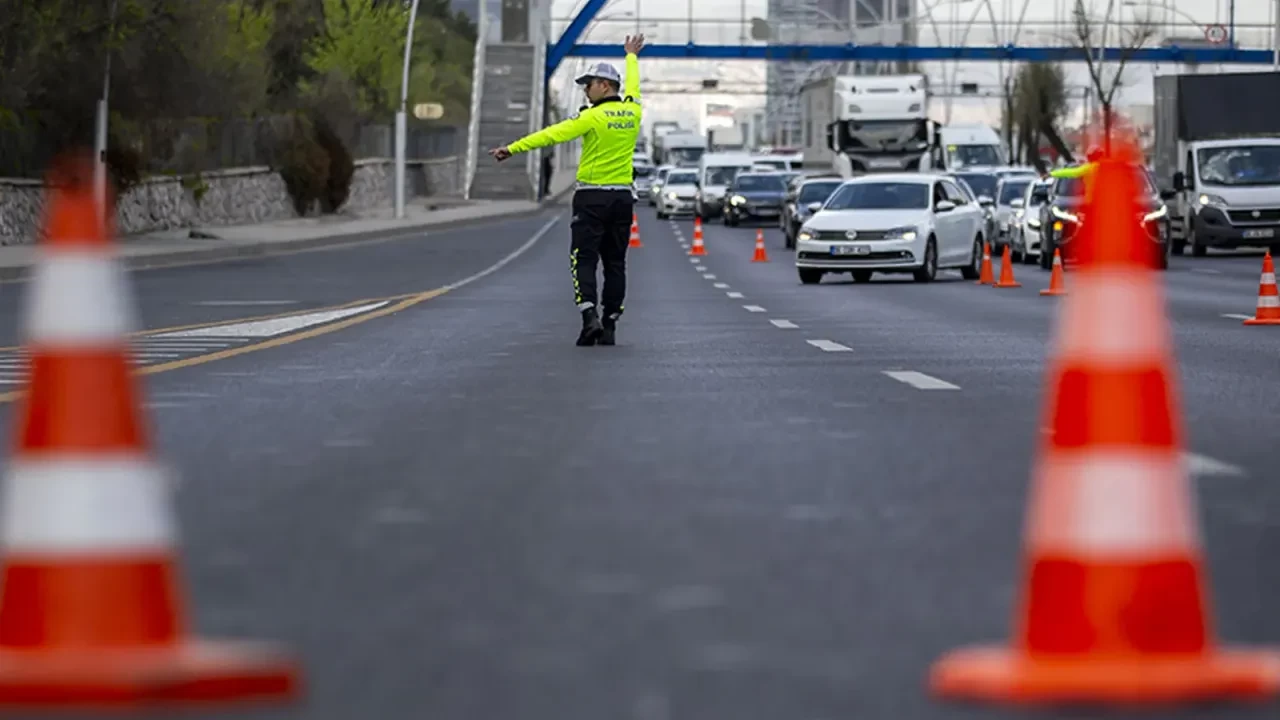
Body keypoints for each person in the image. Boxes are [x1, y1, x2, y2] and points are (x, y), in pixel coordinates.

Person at [489, 35, 645, 347]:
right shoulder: (633, 112)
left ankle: (589, 318)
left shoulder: (591, 117)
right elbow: (634, 86)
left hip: (591, 198)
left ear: (604, 85)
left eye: (589, 85)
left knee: (583, 259)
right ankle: (611, 322)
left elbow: (551, 135)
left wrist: (512, 148)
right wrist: (631, 56)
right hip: (622, 199)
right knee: (615, 263)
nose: (586, 91)